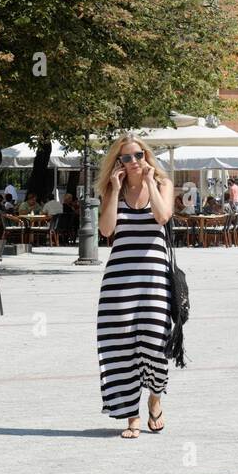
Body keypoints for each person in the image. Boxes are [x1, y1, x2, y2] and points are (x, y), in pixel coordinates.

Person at [96, 134, 175, 439]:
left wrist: (152, 184)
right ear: (118, 162)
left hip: (154, 279)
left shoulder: (164, 184)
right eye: (125, 158)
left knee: (155, 346)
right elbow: (105, 230)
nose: (133, 163)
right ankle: (132, 417)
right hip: (118, 282)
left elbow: (162, 216)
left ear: (146, 156)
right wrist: (115, 190)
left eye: (137, 156)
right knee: (120, 349)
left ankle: (155, 397)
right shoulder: (111, 189)